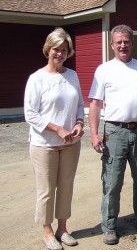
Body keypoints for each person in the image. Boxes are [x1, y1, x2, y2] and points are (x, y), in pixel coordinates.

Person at [88, 24, 137, 245]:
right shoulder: (104, 70)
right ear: (112, 45)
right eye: (118, 42)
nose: (122, 45)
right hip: (114, 132)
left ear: (132, 43)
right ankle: (110, 225)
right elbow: (95, 104)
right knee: (112, 182)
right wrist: (93, 134)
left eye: (126, 41)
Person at [24, 27, 84, 250]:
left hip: (70, 144)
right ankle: (47, 231)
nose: (60, 54)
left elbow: (79, 104)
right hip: (44, 144)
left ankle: (63, 228)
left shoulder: (72, 75)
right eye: (56, 49)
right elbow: (30, 114)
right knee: (47, 189)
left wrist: (79, 123)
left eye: (64, 50)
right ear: (48, 50)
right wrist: (57, 129)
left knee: (66, 186)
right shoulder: (36, 79)